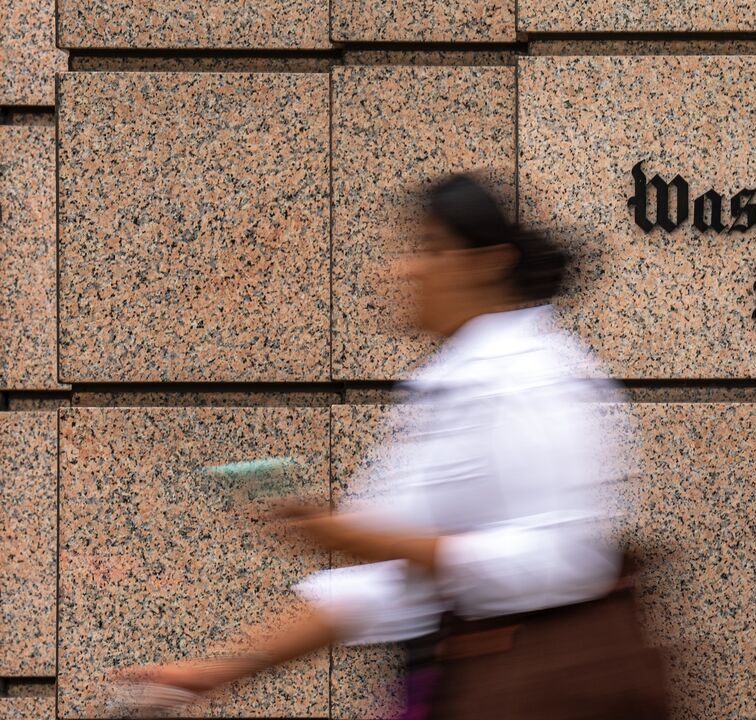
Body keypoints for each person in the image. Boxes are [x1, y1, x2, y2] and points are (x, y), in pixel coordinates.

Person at [115, 175, 668, 719]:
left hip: (532, 687)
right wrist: (214, 672)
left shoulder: (531, 377)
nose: (404, 269)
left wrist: (377, 539)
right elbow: (381, 586)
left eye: (430, 249)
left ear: (488, 262)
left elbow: (568, 557)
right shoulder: (455, 381)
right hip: (461, 685)